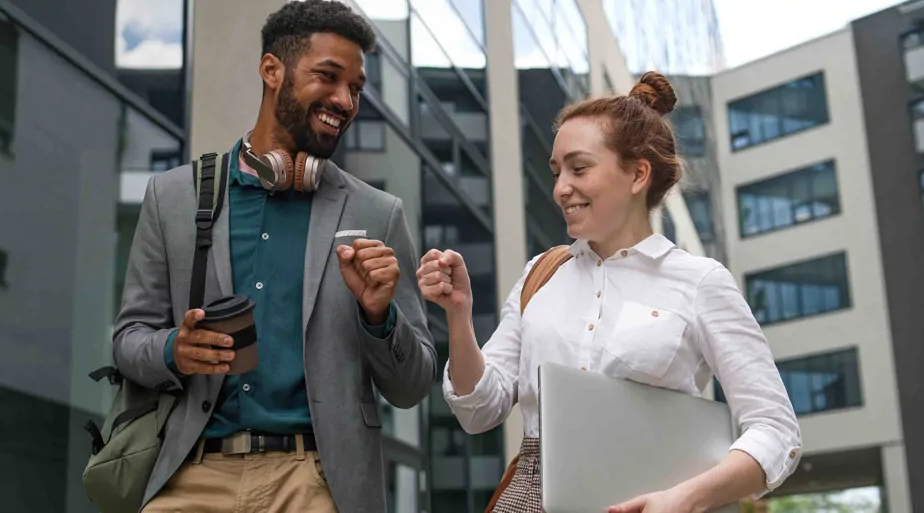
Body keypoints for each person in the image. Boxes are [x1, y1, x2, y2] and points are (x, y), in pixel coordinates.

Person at [418, 72, 802, 513]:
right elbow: (479, 411)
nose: (561, 187)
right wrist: (459, 315)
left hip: (650, 501)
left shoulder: (700, 282)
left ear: (638, 174)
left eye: (579, 168)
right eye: (557, 170)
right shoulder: (540, 275)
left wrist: (685, 498)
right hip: (530, 498)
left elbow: (776, 430)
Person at [112, 2, 436, 512]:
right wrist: (175, 349)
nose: (344, 100)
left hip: (315, 483)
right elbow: (127, 341)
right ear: (272, 71)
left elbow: (413, 384)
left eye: (355, 87)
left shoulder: (378, 214)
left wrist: (380, 316)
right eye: (328, 77)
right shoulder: (172, 198)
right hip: (189, 474)